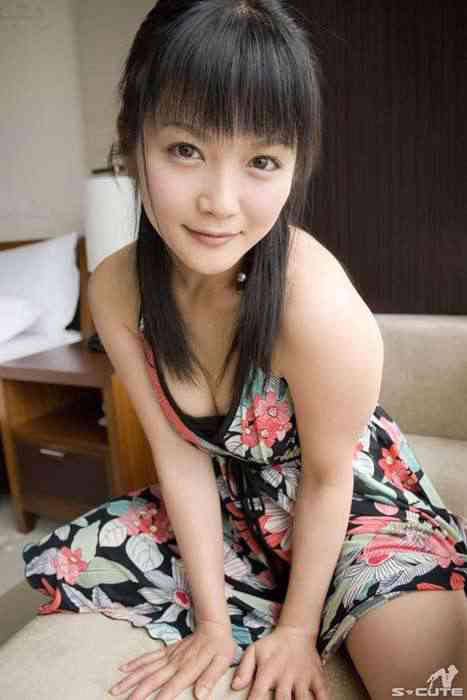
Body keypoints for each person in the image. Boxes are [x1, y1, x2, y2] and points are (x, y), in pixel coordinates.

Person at [23, 1, 467, 699]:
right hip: (232, 503)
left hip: (347, 498)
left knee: (424, 679)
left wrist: (295, 630)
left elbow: (328, 480)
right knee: (79, 560)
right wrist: (212, 625)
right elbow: (179, 455)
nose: (220, 202)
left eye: (261, 160)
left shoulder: (312, 304)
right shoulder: (115, 288)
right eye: (185, 150)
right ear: (131, 141)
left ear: (293, 166)